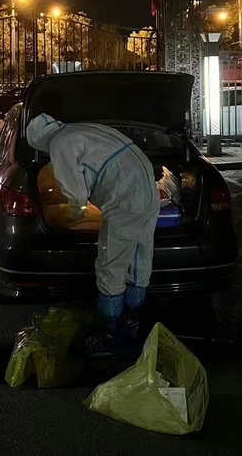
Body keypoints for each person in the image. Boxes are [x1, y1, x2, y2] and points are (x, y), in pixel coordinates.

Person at [26, 112, 160, 356]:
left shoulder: (59, 143)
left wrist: (73, 214)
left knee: (111, 265)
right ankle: (134, 318)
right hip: (148, 187)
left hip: (125, 197)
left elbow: (76, 193)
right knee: (140, 253)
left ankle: (111, 331)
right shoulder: (82, 129)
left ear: (39, 142)